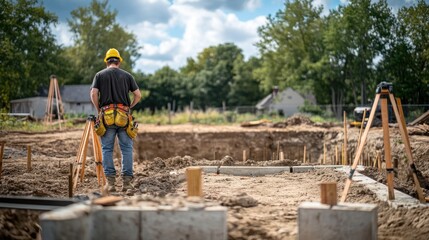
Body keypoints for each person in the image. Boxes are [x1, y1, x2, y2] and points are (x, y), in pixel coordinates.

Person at [90, 48, 141, 193]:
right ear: (118, 61)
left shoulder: (99, 75)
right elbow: (138, 95)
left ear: (107, 61)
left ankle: (111, 184)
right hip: (124, 117)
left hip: (106, 116)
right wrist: (129, 106)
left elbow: (93, 93)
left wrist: (99, 109)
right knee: (126, 149)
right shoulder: (127, 76)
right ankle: (127, 184)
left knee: (107, 149)